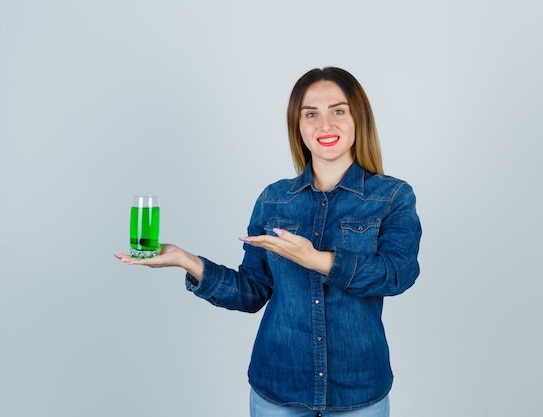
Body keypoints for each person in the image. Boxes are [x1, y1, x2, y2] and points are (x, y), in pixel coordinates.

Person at [116, 67, 422, 417]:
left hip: (359, 388)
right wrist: (186, 260)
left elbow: (397, 274)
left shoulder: (392, 196)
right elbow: (252, 291)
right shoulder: (274, 200)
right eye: (311, 114)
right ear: (297, 125)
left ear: (358, 118)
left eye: (338, 111)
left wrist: (318, 259)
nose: (325, 125)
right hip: (277, 386)